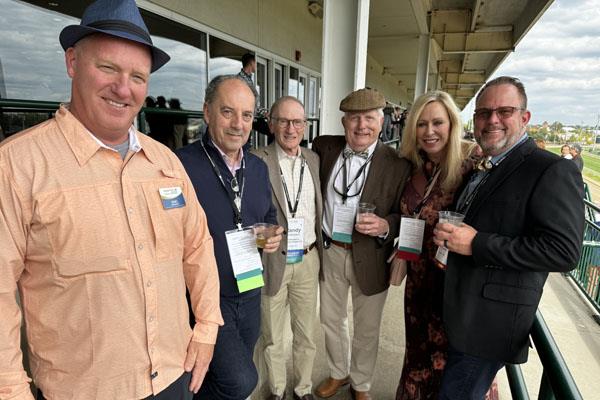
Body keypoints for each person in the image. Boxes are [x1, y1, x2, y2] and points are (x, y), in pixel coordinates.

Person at [0, 1, 223, 399]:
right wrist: (11, 389)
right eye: (108, 69)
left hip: (174, 377)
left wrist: (206, 328)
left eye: (138, 76)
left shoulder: (164, 162)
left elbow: (198, 248)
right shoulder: (17, 166)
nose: (124, 88)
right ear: (72, 62)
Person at [433, 76, 584, 399]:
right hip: (466, 314)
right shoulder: (486, 165)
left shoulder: (550, 169)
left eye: (504, 111)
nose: (492, 121)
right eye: (484, 113)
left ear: (524, 117)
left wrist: (476, 243)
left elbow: (563, 251)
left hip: (489, 326)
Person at [176, 74, 283, 400]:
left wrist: (271, 235)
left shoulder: (258, 166)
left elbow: (268, 217)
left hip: (249, 288)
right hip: (206, 298)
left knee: (218, 375)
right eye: (227, 112)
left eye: (247, 115)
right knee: (241, 380)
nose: (238, 123)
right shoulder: (181, 164)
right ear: (207, 112)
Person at [391, 91, 501, 400]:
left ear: (452, 124)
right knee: (417, 354)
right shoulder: (412, 165)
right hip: (418, 280)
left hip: (454, 284)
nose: (429, 132)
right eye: (422, 124)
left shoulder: (474, 164)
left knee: (448, 363)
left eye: (438, 122)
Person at [312, 88, 411, 400]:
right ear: (344, 122)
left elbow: (404, 214)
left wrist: (385, 225)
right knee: (331, 319)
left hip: (371, 254)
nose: (361, 126)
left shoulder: (397, 165)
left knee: (367, 328)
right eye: (354, 119)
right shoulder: (324, 147)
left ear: (381, 123)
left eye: (369, 118)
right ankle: (339, 373)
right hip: (330, 250)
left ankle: (361, 383)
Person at [252, 96, 323, 400]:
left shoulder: (313, 159)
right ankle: (277, 390)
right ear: (271, 124)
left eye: (297, 122)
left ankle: (302, 388)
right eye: (283, 121)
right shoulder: (256, 159)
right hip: (272, 262)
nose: (290, 128)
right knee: (272, 337)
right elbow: (244, 216)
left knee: (306, 334)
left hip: (308, 257)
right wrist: (259, 238)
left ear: (305, 126)